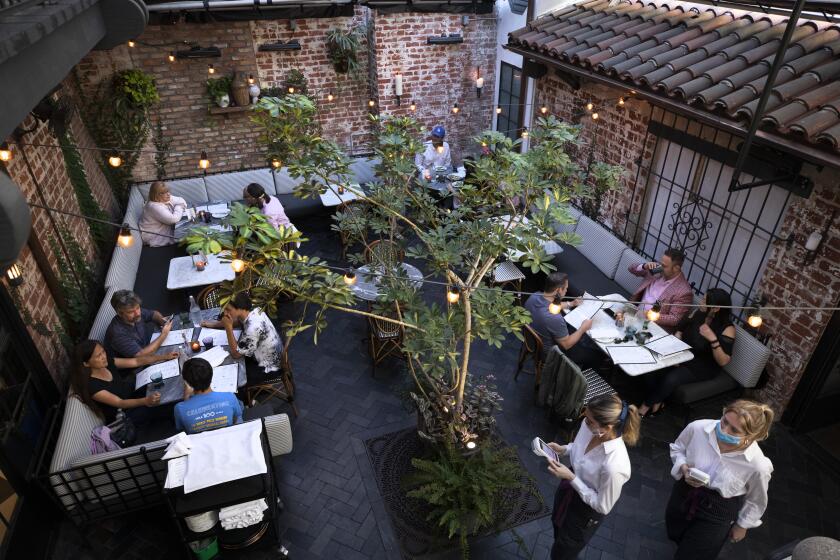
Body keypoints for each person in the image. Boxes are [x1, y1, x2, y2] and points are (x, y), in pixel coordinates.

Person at [666, 400, 774, 559]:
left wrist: (742, 525)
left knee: (694, 554)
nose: (723, 430)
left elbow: (756, 500)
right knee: (675, 532)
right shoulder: (698, 428)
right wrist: (682, 466)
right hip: (684, 492)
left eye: (734, 430)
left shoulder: (758, 465)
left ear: (752, 436)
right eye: (724, 421)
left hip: (719, 509)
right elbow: (678, 449)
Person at [544, 394, 641, 560]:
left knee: (565, 550)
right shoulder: (589, 425)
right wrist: (564, 449)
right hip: (568, 489)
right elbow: (580, 448)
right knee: (557, 527)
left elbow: (603, 506)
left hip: (584, 512)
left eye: (589, 421)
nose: (584, 421)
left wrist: (572, 478)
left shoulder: (614, 466)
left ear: (608, 427)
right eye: (585, 416)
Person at [639, 288, 736, 417]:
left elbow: (723, 361)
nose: (700, 302)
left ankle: (643, 408)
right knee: (651, 370)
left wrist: (713, 339)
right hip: (684, 354)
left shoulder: (728, 328)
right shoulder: (699, 313)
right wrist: (677, 348)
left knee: (670, 379)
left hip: (703, 365)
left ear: (715, 308)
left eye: (704, 300)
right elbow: (681, 328)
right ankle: (658, 402)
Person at [71, 340, 178, 424]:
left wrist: (164, 357)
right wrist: (146, 401)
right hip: (124, 414)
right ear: (86, 364)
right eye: (98, 356)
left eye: (103, 352)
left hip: (128, 394)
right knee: (165, 406)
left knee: (163, 386)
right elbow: (120, 403)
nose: (103, 357)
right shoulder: (93, 386)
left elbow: (135, 361)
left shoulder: (107, 362)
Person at [523, 272, 602, 371]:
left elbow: (551, 305)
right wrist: (583, 328)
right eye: (565, 289)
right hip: (550, 354)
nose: (566, 291)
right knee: (596, 357)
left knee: (572, 329)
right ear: (559, 290)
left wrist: (571, 303)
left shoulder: (534, 296)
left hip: (531, 341)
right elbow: (566, 345)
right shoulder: (555, 318)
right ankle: (577, 379)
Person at [201, 292, 283, 384]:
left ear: (240, 308)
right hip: (266, 355)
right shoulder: (253, 310)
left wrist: (228, 328)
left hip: (268, 368)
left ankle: (243, 395)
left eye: (228, 310)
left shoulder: (253, 328)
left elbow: (236, 354)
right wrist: (213, 325)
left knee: (227, 376)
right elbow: (238, 322)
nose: (225, 313)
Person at [103, 290, 173, 374]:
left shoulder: (135, 312)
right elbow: (141, 355)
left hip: (150, 354)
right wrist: (164, 334)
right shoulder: (117, 333)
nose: (137, 313)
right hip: (135, 370)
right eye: (131, 312)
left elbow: (154, 314)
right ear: (119, 313)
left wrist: (163, 322)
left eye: (138, 307)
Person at [629, 248, 693, 333]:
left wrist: (648, 315)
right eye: (661, 263)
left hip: (651, 327)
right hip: (633, 312)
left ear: (676, 268)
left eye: (665, 266)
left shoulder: (684, 292)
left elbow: (674, 319)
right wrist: (644, 266)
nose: (661, 267)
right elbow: (631, 269)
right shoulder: (657, 270)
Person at [174, 358, 244, 434]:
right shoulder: (229, 397)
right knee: (240, 404)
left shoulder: (180, 409)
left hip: (200, 442)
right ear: (211, 376)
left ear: (188, 382)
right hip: (227, 436)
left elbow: (181, 427)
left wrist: (186, 397)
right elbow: (236, 416)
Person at [139, 181, 188, 246]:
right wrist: (180, 207)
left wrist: (179, 206)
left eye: (168, 191)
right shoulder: (154, 206)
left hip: (168, 229)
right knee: (190, 234)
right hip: (156, 236)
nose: (168, 194)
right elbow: (173, 219)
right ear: (156, 195)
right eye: (163, 193)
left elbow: (181, 200)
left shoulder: (165, 198)